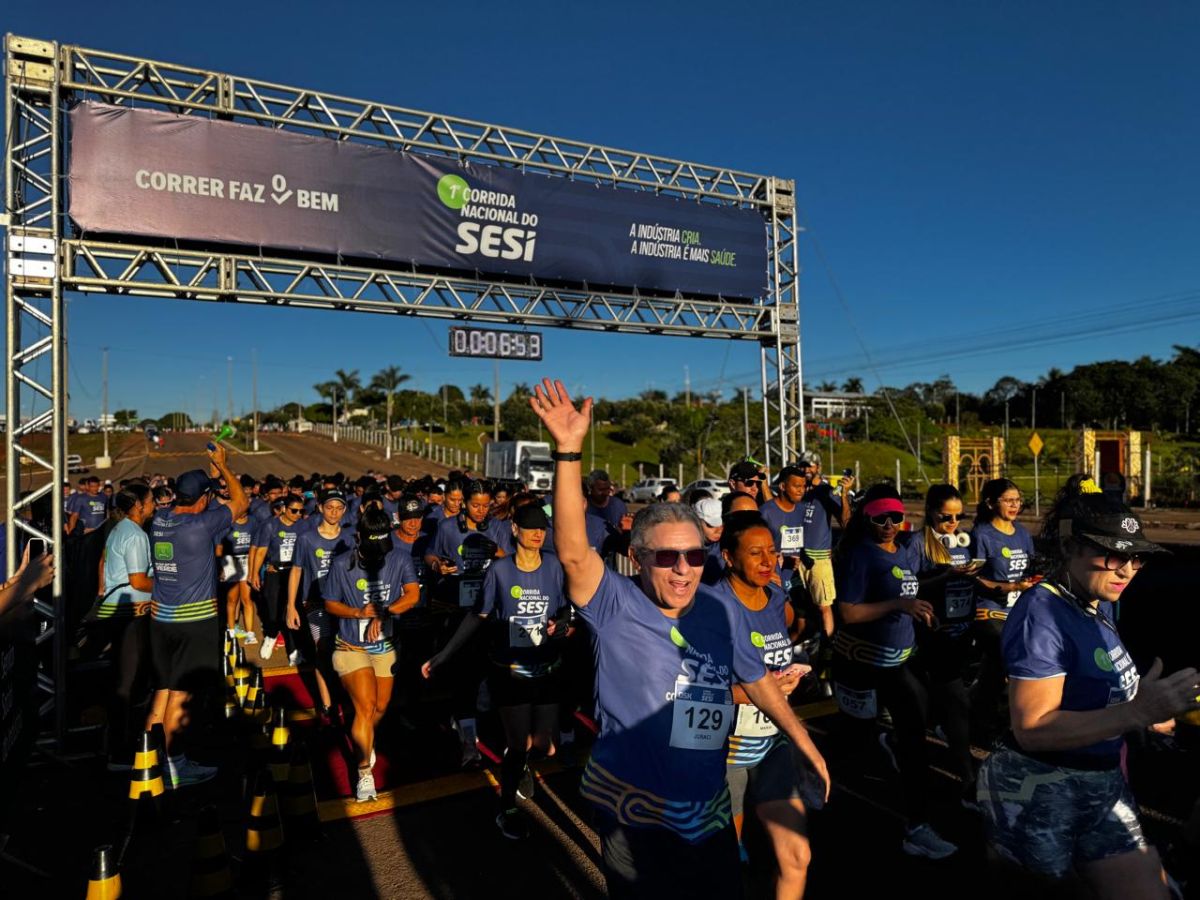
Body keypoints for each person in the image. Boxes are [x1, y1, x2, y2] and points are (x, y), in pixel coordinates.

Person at [529, 378, 828, 899]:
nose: (683, 568)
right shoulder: (615, 604)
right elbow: (575, 551)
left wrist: (804, 742)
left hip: (707, 808)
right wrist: (569, 450)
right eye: (666, 556)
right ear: (640, 559)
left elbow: (754, 678)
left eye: (694, 555)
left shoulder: (717, 606)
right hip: (635, 809)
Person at [978, 477, 1200, 897]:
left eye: (1136, 558)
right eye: (1112, 554)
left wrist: (1146, 711)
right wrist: (1136, 713)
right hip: (1039, 790)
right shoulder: (1041, 613)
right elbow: (1033, 727)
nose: (1128, 569)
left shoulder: (1097, 602)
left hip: (1099, 783)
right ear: (1068, 547)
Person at [422, 502, 570, 839]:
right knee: (519, 743)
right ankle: (506, 808)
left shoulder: (554, 566)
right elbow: (479, 616)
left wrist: (561, 622)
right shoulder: (500, 571)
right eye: (530, 526)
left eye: (542, 527)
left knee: (546, 746)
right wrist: (444, 655)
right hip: (510, 669)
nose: (537, 533)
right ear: (514, 529)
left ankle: (517, 761)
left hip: (545, 666)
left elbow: (566, 608)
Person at [831, 483, 957, 858]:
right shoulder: (859, 555)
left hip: (898, 663)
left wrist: (920, 609)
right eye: (880, 517)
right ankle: (838, 822)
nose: (888, 523)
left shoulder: (903, 551)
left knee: (915, 743)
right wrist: (899, 606)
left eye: (896, 517)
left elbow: (907, 594)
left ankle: (917, 827)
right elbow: (849, 613)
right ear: (867, 517)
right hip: (860, 664)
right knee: (854, 746)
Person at [717, 511, 820, 898]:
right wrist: (766, 691)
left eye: (772, 552)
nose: (767, 561)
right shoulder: (712, 605)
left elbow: (782, 642)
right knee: (723, 863)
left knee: (797, 855)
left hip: (771, 742)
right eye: (755, 553)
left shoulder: (776, 596)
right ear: (728, 556)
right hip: (724, 749)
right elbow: (690, 692)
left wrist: (785, 680)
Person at [147, 448, 248, 788]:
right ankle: (176, 766)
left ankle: (150, 759)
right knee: (182, 695)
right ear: (203, 498)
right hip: (194, 622)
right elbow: (241, 502)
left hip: (162, 620)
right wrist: (222, 466)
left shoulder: (160, 519)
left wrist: (211, 478)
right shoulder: (203, 524)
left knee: (162, 692)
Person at [323, 507, 420, 802]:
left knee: (380, 706)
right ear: (359, 538)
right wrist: (357, 612)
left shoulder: (400, 557)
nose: (380, 554)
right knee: (364, 707)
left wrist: (385, 611)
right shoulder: (342, 564)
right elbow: (329, 603)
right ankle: (364, 773)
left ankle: (366, 738)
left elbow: (413, 594)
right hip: (351, 646)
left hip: (386, 646)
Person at [425, 480, 510, 765]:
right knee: (464, 678)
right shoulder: (447, 528)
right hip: (460, 611)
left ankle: (491, 731)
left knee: (493, 678)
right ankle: (469, 745)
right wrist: (438, 565)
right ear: (463, 503)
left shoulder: (498, 527)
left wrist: (496, 551)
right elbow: (430, 554)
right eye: (476, 505)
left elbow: (511, 559)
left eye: (487, 505)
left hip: (493, 613)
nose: (482, 510)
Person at [911, 484, 984, 807]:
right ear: (930, 512)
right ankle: (967, 779)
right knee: (956, 704)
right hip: (932, 635)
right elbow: (909, 586)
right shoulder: (917, 543)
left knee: (935, 705)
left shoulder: (962, 542)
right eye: (946, 517)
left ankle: (900, 739)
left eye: (959, 517)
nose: (953, 523)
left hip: (961, 633)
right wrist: (945, 576)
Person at [970, 477, 1038, 739]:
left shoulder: (1021, 533)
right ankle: (1016, 722)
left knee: (993, 672)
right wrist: (1010, 588)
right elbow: (972, 579)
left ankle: (970, 712)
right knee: (1011, 658)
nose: (1015, 505)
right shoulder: (981, 535)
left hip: (1017, 613)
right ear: (990, 503)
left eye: (1018, 500)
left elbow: (1030, 570)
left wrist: (1033, 581)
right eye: (1008, 500)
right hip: (988, 612)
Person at [96, 484, 156, 770]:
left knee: (123, 681)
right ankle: (120, 753)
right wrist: (170, 588)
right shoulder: (135, 534)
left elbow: (103, 562)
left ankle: (115, 744)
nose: (154, 504)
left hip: (117, 610)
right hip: (131, 612)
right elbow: (138, 581)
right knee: (129, 684)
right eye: (151, 500)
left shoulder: (119, 528)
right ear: (139, 506)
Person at [761, 454, 851, 641]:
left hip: (817, 560)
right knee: (797, 610)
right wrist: (763, 483)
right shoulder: (797, 493)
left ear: (818, 467)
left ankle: (826, 648)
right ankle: (791, 647)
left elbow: (845, 522)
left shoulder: (826, 491)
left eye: (810, 466)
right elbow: (775, 510)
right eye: (803, 465)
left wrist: (843, 494)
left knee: (823, 607)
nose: (806, 469)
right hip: (793, 560)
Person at [288, 489, 353, 722]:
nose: (334, 512)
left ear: (345, 510)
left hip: (344, 603)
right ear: (320, 508)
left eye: (339, 508)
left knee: (345, 650)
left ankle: (345, 697)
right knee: (323, 650)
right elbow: (296, 571)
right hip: (315, 603)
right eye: (329, 507)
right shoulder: (306, 538)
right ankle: (327, 704)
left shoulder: (350, 538)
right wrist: (290, 606)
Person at [249, 494, 306, 663]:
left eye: (301, 511)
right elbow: (261, 551)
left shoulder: (302, 526)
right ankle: (271, 636)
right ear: (283, 509)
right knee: (273, 611)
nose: (297, 514)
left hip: (294, 573)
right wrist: (254, 573)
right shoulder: (270, 525)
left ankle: (294, 649)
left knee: (292, 610)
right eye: (294, 511)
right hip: (274, 572)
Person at [218, 505, 256, 644]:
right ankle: (232, 630)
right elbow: (220, 546)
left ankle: (250, 634)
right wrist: (221, 567)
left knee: (247, 599)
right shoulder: (228, 522)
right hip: (231, 562)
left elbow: (256, 545)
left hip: (247, 560)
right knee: (232, 599)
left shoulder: (253, 522)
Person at [693, 498, 726, 586]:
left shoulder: (728, 546)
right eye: (712, 525)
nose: (719, 530)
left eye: (722, 524)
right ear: (696, 522)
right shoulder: (684, 548)